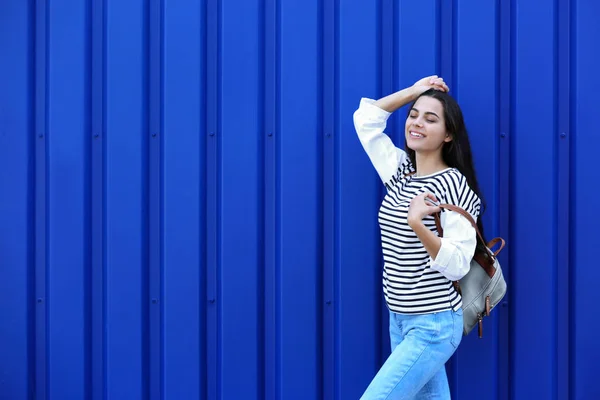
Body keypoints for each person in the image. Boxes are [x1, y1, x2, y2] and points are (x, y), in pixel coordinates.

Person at [353, 76, 487, 399]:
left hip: (434, 324)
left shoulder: (454, 186)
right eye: (414, 115)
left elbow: (457, 265)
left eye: (431, 119)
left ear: (448, 134)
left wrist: (418, 225)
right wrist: (415, 92)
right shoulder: (400, 173)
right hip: (398, 318)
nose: (417, 123)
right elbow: (366, 120)